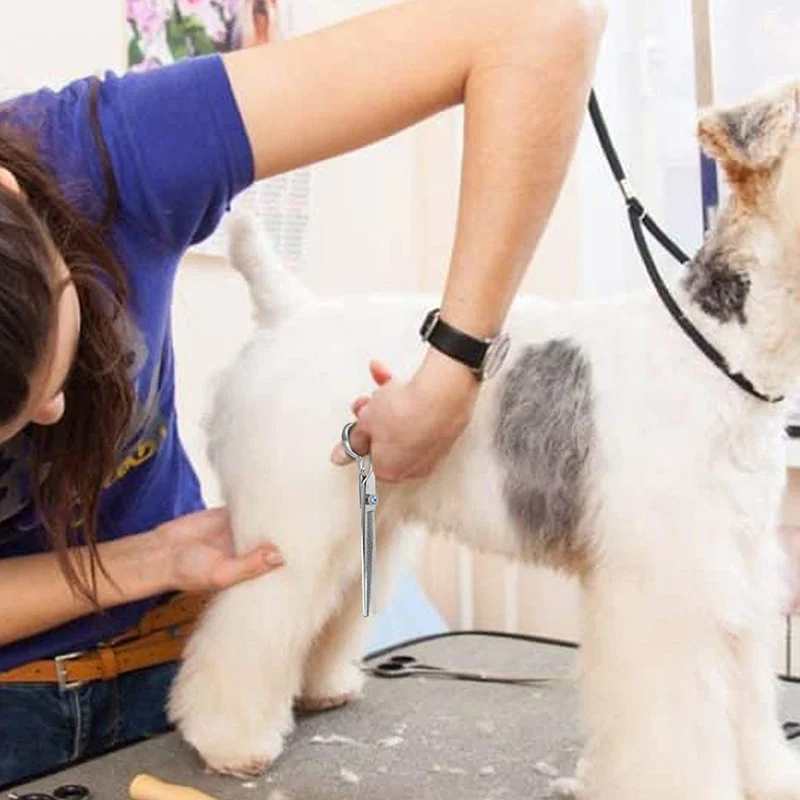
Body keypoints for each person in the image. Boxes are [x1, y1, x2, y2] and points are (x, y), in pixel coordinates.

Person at [0, 0, 606, 786]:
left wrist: (455, 364)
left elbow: (544, 21)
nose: (54, 414)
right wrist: (145, 559)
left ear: (33, 218)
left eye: (50, 378)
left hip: (171, 648)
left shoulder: (112, 152)